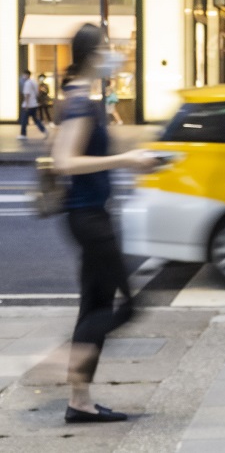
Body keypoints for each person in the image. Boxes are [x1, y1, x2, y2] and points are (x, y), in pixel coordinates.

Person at [50, 24, 157, 423]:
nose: (114, 53)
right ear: (93, 54)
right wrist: (126, 161)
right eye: (108, 47)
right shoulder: (79, 103)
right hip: (89, 218)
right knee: (126, 306)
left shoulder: (78, 99)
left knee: (95, 304)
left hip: (89, 215)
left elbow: (56, 148)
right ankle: (65, 364)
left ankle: (79, 399)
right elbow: (65, 161)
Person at [19, 69, 48, 139]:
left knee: (24, 120)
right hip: (34, 104)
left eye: (24, 75)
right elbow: (37, 93)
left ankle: (23, 134)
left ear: (27, 75)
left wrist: (26, 104)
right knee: (35, 119)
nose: (23, 76)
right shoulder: (34, 82)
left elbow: (27, 95)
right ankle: (44, 130)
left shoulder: (27, 83)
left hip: (28, 105)